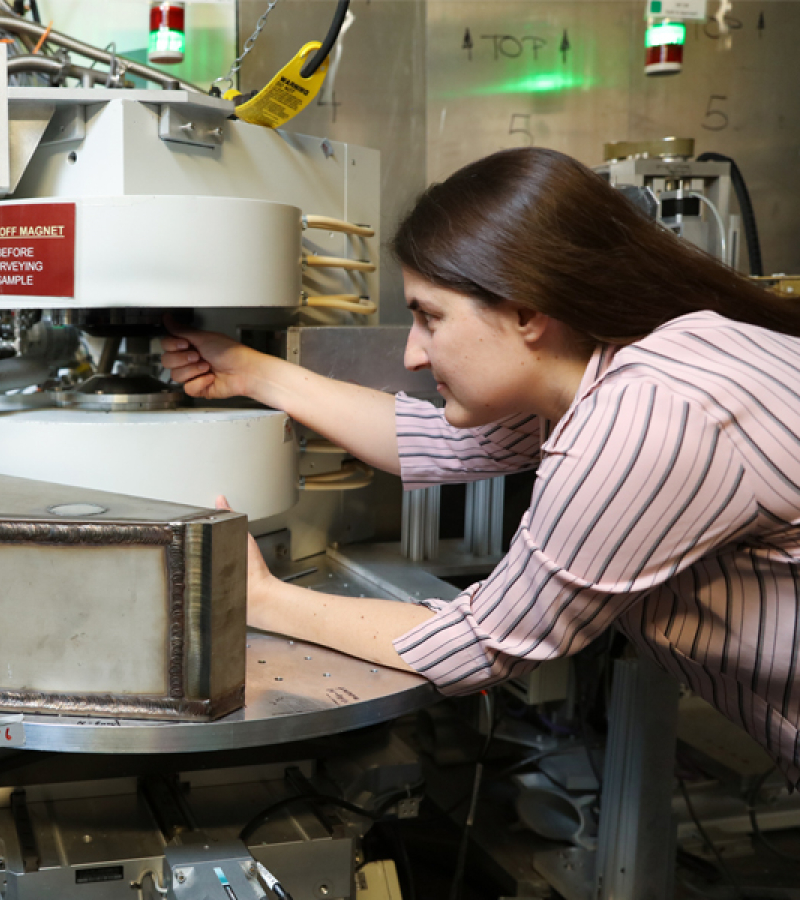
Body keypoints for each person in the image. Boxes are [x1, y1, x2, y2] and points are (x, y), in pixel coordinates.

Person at [162, 146, 800, 786]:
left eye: (429, 318)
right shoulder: (611, 362)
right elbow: (439, 440)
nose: (413, 354)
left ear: (527, 310)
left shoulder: (650, 418)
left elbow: (483, 644)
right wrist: (247, 369)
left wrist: (260, 598)